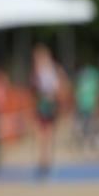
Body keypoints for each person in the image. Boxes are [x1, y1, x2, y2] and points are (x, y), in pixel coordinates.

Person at [30, 44, 66, 178]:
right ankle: (44, 160)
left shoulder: (50, 70)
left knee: (47, 134)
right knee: (42, 134)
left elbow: (57, 87)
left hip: (48, 105)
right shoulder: (39, 71)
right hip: (43, 105)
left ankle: (46, 160)